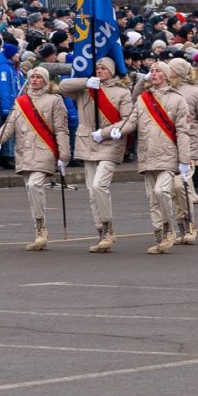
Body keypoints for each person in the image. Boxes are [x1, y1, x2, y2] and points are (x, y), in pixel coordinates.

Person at [109, 61, 193, 253]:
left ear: (166, 75)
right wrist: (119, 131)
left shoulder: (178, 99)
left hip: (168, 154)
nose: (153, 74)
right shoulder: (143, 98)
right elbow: (132, 120)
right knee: (153, 198)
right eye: (151, 71)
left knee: (161, 191)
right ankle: (160, 236)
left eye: (158, 71)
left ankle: (169, 228)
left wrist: (184, 160)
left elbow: (183, 131)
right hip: (147, 153)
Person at [0, 67, 70, 250]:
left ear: (45, 80)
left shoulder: (54, 100)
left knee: (35, 185)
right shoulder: (21, 101)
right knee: (31, 189)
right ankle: (39, 231)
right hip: (24, 151)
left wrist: (64, 155)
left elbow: (61, 129)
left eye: (38, 77)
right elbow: (10, 123)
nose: (34, 80)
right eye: (32, 77)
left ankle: (41, 230)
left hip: (45, 150)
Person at [59, 57, 132, 253]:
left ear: (112, 71)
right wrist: (85, 81)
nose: (99, 71)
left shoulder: (122, 92)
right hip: (87, 141)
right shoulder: (86, 89)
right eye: (97, 68)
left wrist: (106, 132)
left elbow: (128, 119)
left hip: (109, 143)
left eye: (103, 68)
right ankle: (101, 232)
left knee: (100, 185)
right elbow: (62, 86)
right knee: (92, 191)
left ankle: (109, 229)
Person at [168, 58, 198, 244]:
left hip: (189, 145)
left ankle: (189, 226)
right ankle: (179, 227)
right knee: (170, 190)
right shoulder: (163, 90)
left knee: (181, 186)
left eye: (170, 69)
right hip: (166, 146)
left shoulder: (196, 92)